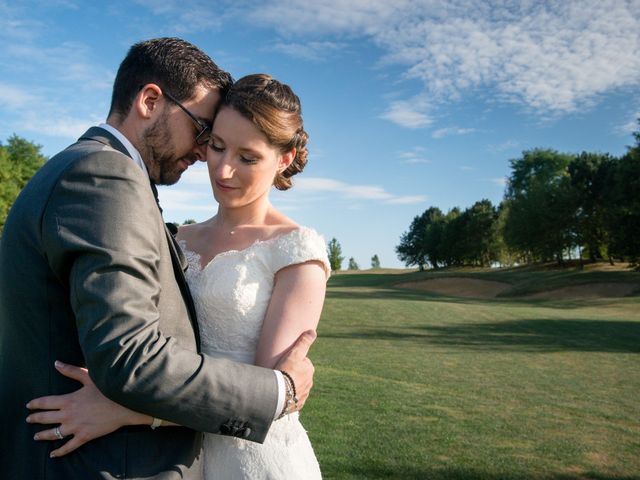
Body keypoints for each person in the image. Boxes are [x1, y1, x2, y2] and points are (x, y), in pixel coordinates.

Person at [0, 39, 316, 480]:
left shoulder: (86, 169)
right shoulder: (105, 175)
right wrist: (277, 392)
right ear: (150, 101)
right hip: (100, 463)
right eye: (204, 131)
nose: (206, 154)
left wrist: (128, 411)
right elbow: (130, 355)